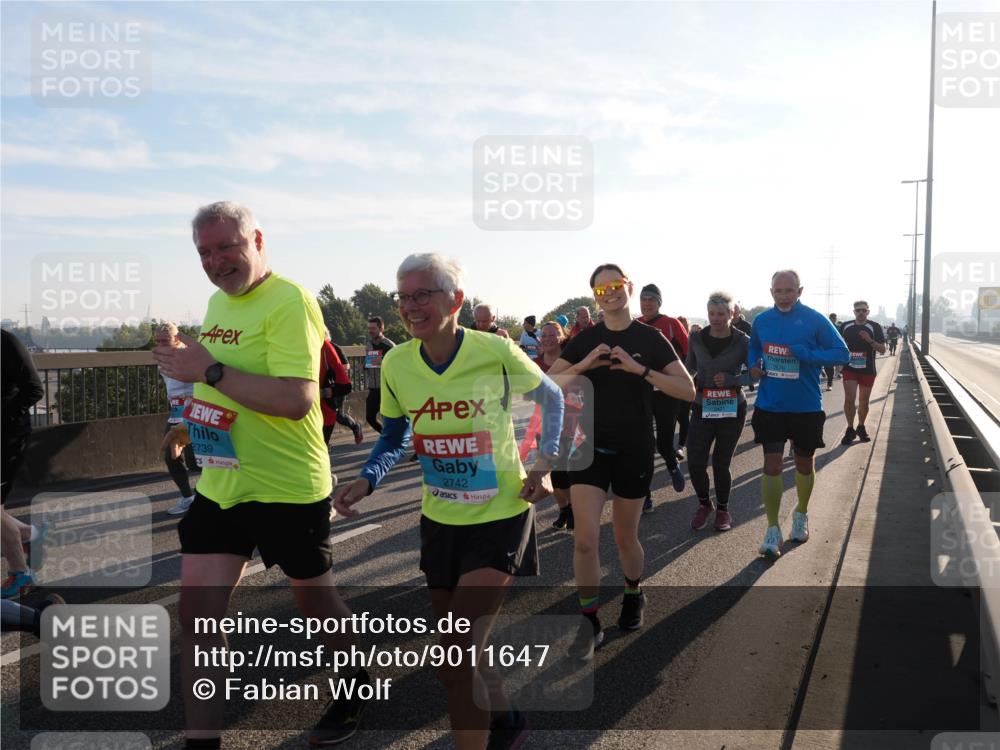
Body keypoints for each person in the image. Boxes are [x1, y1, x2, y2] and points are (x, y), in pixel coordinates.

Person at [155, 201, 370, 748]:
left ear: (256, 240)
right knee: (198, 616)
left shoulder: (290, 300)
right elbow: (223, 378)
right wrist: (192, 415)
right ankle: (201, 741)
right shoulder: (216, 302)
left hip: (285, 486)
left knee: (315, 604)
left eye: (226, 247)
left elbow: (297, 400)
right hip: (223, 485)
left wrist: (204, 368)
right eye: (204, 251)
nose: (215, 261)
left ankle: (355, 680)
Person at [333, 253, 562, 750]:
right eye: (403, 297)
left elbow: (554, 399)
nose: (411, 307)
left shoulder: (494, 351)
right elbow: (395, 434)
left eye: (423, 295)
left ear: (455, 299)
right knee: (460, 656)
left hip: (501, 514)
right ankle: (506, 718)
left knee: (454, 656)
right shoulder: (396, 362)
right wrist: (368, 479)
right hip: (440, 520)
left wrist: (544, 465)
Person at [548, 264, 695, 660]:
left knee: (625, 537)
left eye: (615, 286)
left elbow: (687, 389)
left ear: (627, 287)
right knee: (584, 540)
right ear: (594, 296)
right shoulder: (586, 340)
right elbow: (544, 385)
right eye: (601, 289)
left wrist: (640, 370)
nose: (609, 293)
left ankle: (633, 591)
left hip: (634, 447)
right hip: (588, 449)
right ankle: (589, 618)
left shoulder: (650, 338)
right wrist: (583, 366)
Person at [748, 270, 849, 559]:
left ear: (800, 291)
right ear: (771, 292)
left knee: (804, 464)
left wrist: (807, 354)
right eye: (778, 291)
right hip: (771, 404)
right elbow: (754, 348)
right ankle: (772, 529)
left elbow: (841, 354)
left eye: (789, 290)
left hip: (805, 405)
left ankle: (801, 513)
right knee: (772, 464)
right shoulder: (762, 321)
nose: (783, 295)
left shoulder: (816, 320)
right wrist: (754, 365)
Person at [684, 291, 754, 532]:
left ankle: (723, 509)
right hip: (702, 406)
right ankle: (705, 504)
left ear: (731, 314)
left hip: (732, 408)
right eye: (712, 313)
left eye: (721, 314)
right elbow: (689, 367)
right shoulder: (696, 338)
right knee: (694, 462)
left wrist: (733, 379)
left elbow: (756, 374)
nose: (715, 318)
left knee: (721, 463)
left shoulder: (743, 341)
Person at [2, 328, 47, 599]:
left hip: (8, 435)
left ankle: (21, 573)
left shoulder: (6, 342)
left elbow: (34, 389)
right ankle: (30, 535)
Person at [637, 283, 689, 512]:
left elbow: (688, 355)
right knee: (642, 445)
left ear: (659, 302)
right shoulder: (634, 325)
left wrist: (684, 382)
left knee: (664, 442)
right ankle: (644, 495)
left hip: (667, 393)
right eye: (643, 299)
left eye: (651, 299)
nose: (646, 303)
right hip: (641, 393)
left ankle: (671, 465)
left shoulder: (671, 324)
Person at [530, 321, 579, 531]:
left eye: (552, 334)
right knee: (551, 471)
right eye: (544, 335)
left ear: (561, 336)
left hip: (569, 420)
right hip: (544, 423)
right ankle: (564, 509)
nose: (548, 338)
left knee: (562, 471)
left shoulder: (569, 360)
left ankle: (574, 509)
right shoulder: (534, 363)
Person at [155, 322, 199, 516]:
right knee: (170, 457)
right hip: (176, 412)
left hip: (193, 412)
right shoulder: (163, 358)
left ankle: (211, 499)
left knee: (195, 460)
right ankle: (188, 497)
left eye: (165, 340)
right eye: (157, 341)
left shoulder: (188, 357)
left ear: (177, 339)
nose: (161, 344)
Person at [839, 301, 886, 445]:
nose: (861, 313)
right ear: (854, 312)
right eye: (858, 310)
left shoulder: (874, 327)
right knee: (849, 399)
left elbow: (882, 350)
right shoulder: (845, 326)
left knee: (863, 401)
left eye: (863, 310)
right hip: (850, 368)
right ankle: (849, 428)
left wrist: (869, 340)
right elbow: (836, 346)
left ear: (868, 312)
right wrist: (838, 363)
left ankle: (861, 426)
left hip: (867, 369)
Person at [320, 329, 364, 445]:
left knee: (338, 415)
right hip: (325, 388)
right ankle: (324, 443)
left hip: (335, 387)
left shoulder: (333, 348)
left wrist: (332, 371)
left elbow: (346, 366)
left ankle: (355, 426)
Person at [364, 316, 395, 434]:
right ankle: (385, 435)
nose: (370, 331)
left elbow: (397, 366)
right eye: (369, 328)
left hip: (387, 387)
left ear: (381, 328)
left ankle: (391, 439)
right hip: (373, 387)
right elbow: (369, 363)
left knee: (388, 417)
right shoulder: (368, 345)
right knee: (370, 417)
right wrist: (365, 365)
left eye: (373, 328)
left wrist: (383, 362)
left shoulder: (389, 345)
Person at [732, 305, 754, 392]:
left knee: (746, 366)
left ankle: (749, 381)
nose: (734, 314)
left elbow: (752, 339)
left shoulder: (746, 325)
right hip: (731, 352)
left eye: (736, 312)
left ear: (739, 312)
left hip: (744, 349)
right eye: (733, 311)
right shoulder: (725, 324)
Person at [823, 313, 843, 390]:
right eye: (832, 318)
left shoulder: (839, 327)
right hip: (826, 349)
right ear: (829, 318)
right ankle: (830, 382)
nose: (833, 319)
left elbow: (842, 338)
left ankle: (831, 381)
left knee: (836, 365)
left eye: (834, 318)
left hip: (836, 349)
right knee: (827, 366)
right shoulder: (824, 327)